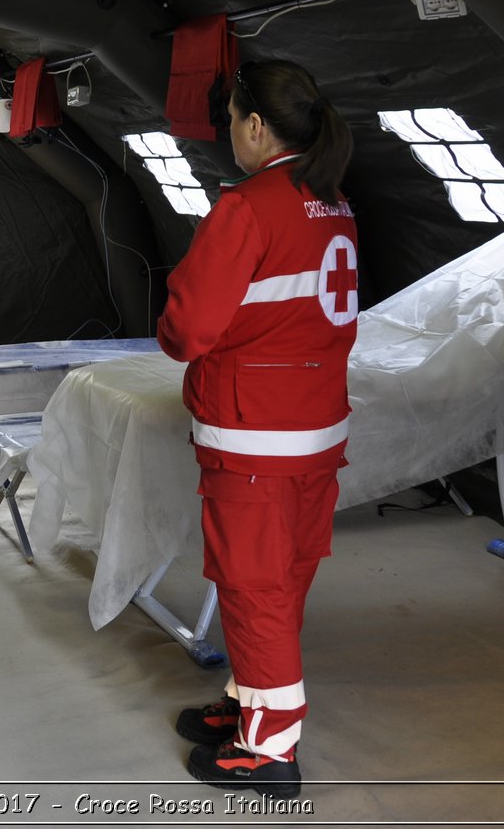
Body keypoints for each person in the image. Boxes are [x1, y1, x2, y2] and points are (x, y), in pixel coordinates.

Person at [156, 58, 356, 799]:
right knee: (284, 575)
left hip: (253, 437)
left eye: (233, 119)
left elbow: (189, 326)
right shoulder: (333, 201)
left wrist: (173, 323)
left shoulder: (248, 206)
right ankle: (250, 699)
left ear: (255, 126)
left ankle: (270, 747)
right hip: (315, 430)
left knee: (252, 583)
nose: (229, 133)